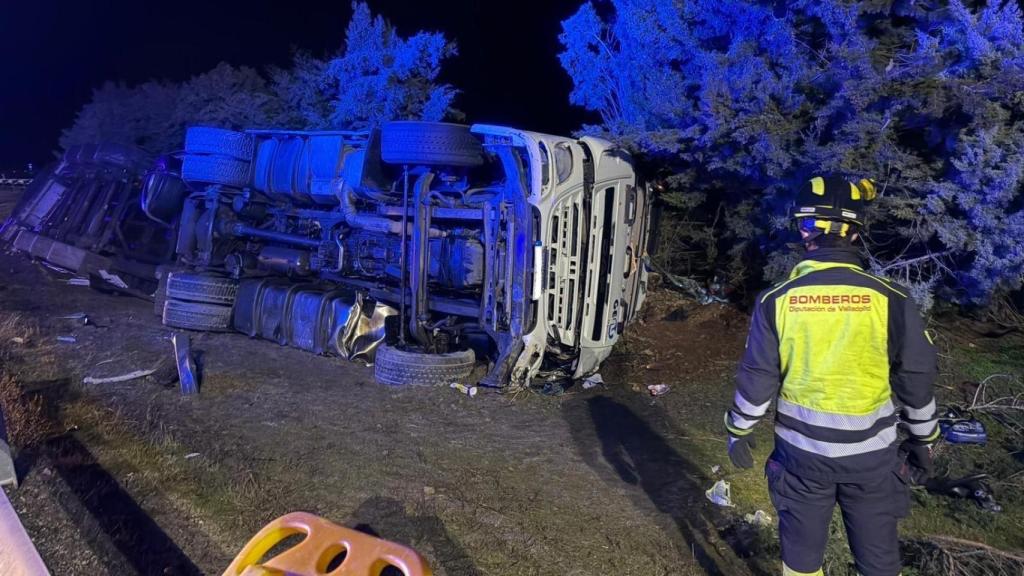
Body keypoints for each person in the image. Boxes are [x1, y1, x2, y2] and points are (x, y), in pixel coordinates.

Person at [724, 175, 939, 576]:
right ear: (856, 234)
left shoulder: (777, 300)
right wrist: (925, 440)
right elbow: (916, 378)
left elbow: (758, 377)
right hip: (873, 462)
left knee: (803, 564)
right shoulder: (891, 300)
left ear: (804, 230)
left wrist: (739, 430)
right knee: (879, 564)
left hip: (801, 461)